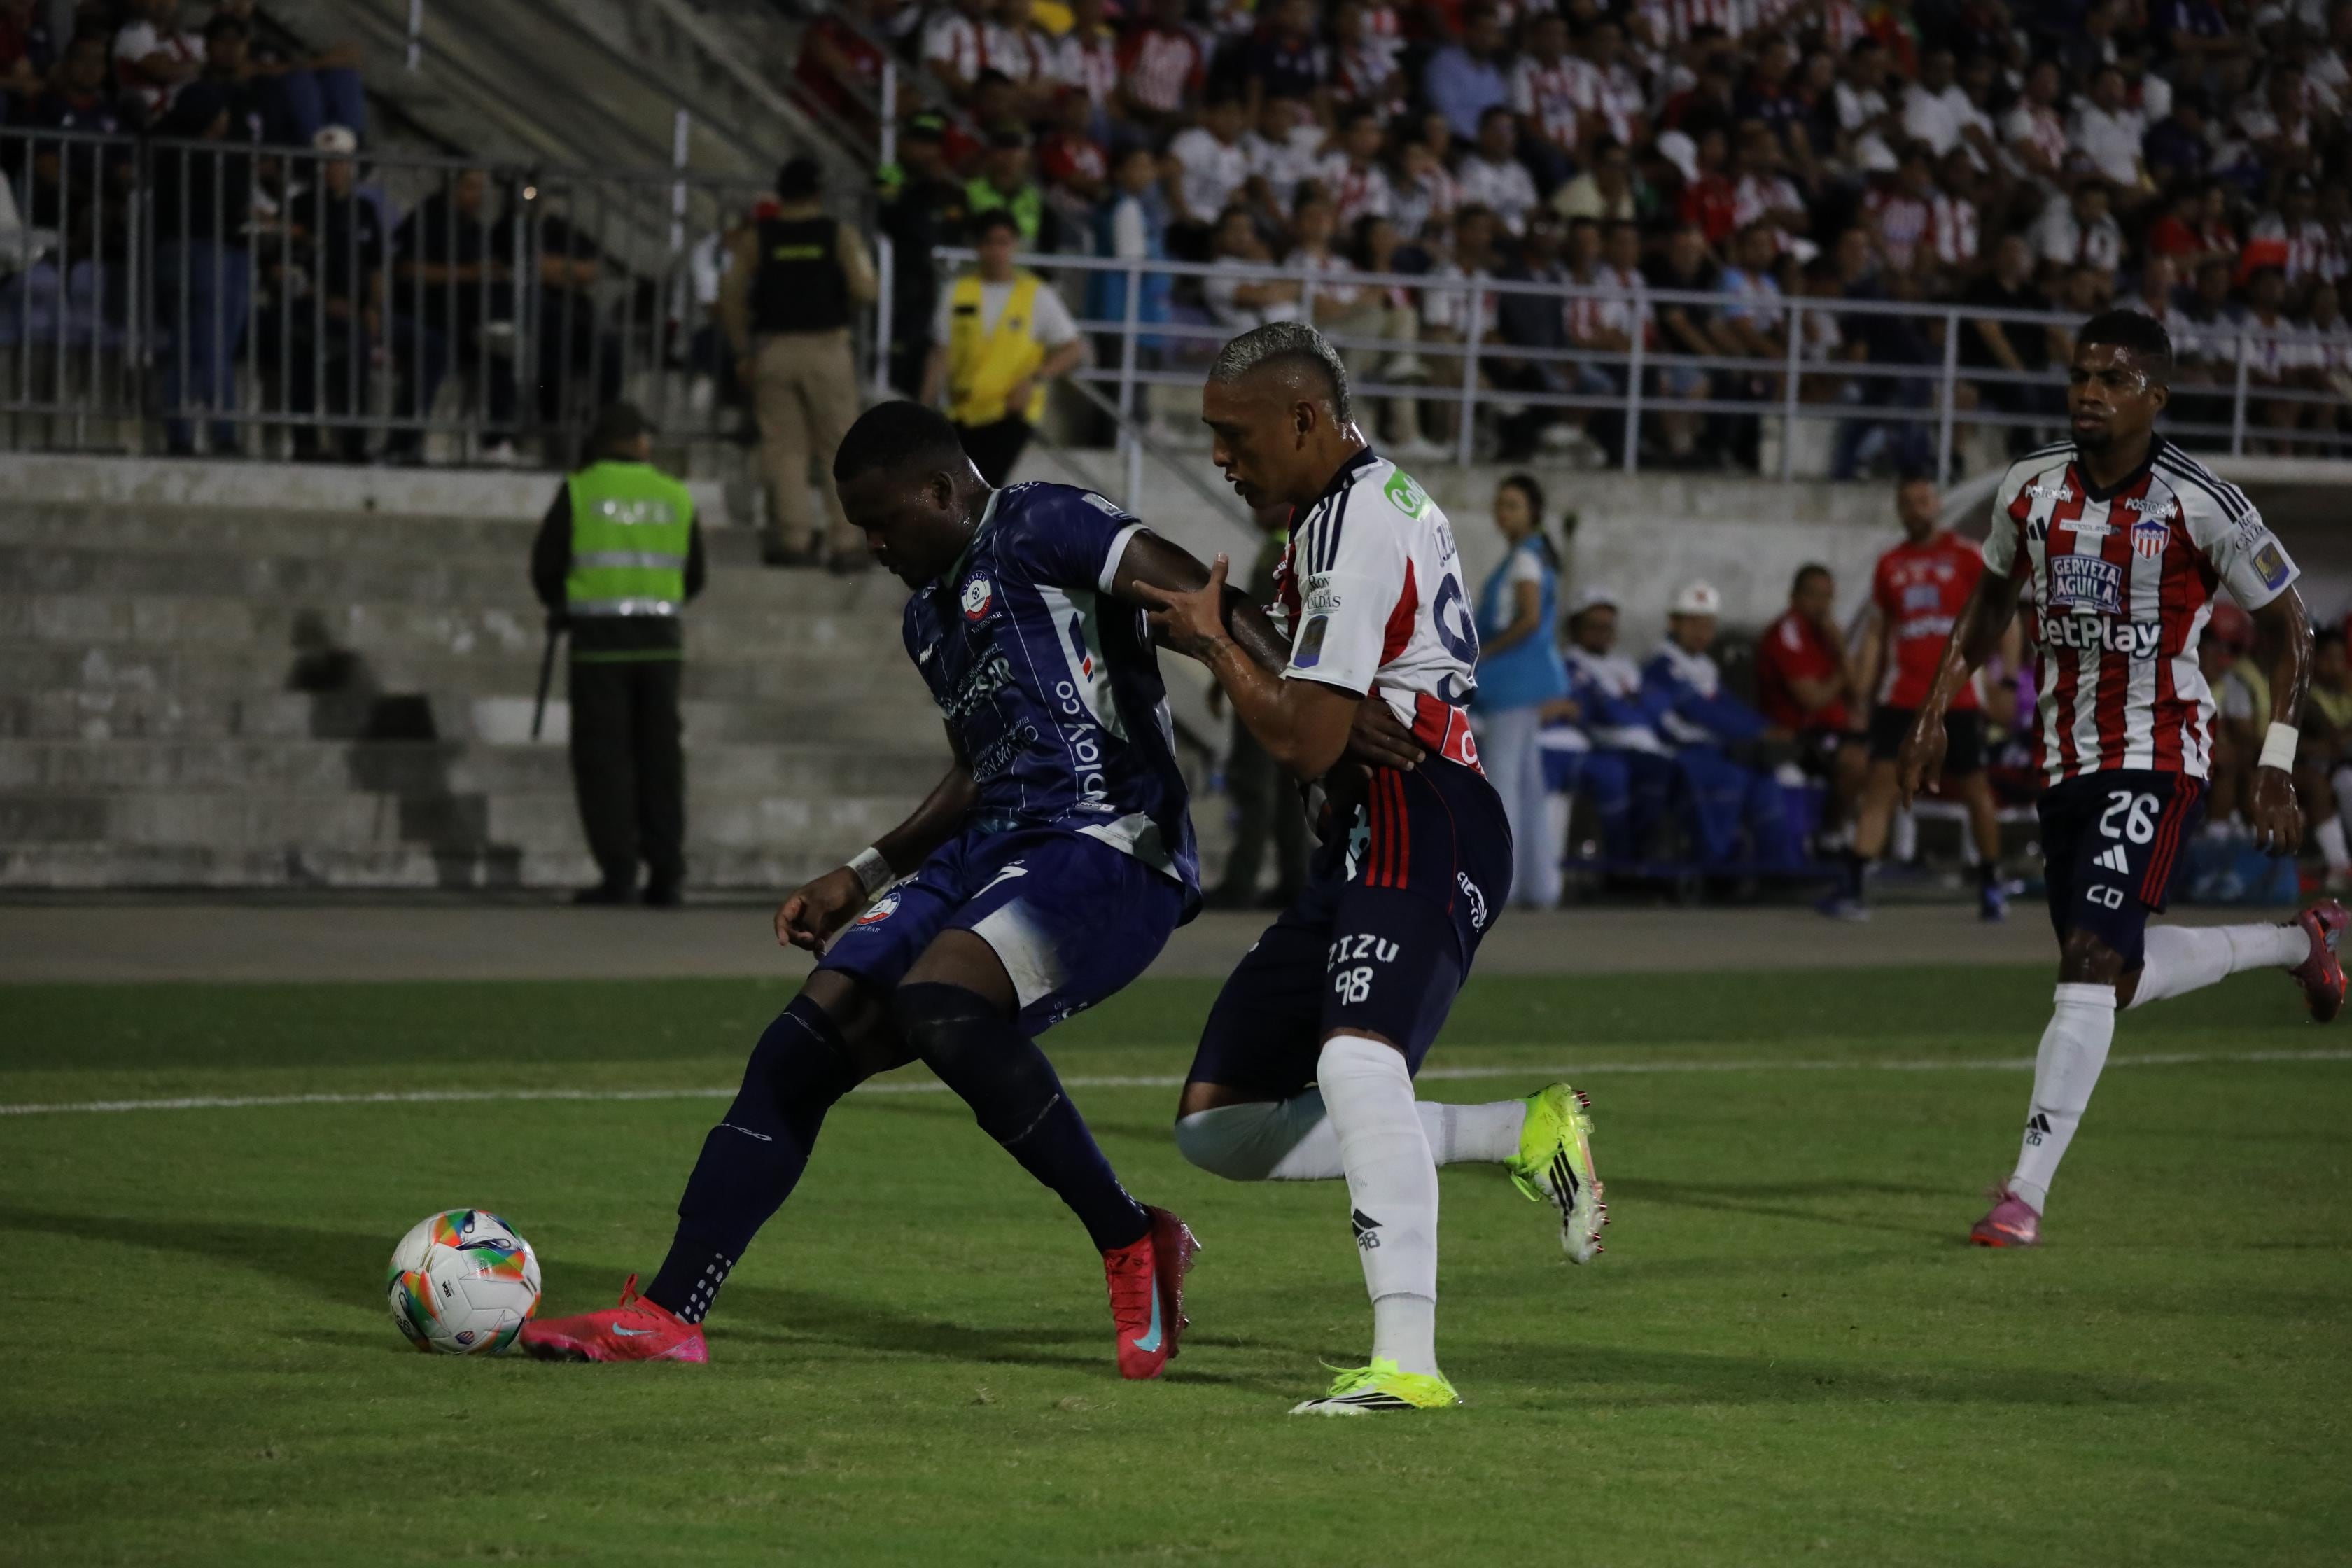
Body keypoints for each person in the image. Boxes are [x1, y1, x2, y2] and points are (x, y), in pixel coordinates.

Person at [522, 398, 1298, 1374]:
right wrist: (868, 868)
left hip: (1109, 844)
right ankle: (670, 1314)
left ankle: (1127, 1235)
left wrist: (1311, 730)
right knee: (800, 1047)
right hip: (991, 850)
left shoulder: (1048, 522)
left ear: (941, 488)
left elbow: (1204, 601)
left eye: (884, 522)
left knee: (940, 998)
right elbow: (977, 768)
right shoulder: (928, 617)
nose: (875, 544)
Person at [1132, 323, 1606, 1417]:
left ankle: (1408, 1363)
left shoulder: (1351, 526)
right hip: (1369, 825)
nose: (1220, 458)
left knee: (1355, 1061)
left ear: (1305, 419)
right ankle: (1516, 1131)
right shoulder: (1342, 512)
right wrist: (1313, 731)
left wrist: (1215, 644)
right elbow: (1318, 740)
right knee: (1223, 1119)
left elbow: (1302, 735)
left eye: (1233, 434)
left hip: (1423, 807)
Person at [1893, 310, 2343, 1250]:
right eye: (2081, 375)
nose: (2090, 392)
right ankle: (2294, 944)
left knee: (2088, 966)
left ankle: (2023, 1196)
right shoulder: (2029, 488)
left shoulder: (2201, 501)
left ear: (2156, 397)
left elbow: (2292, 628)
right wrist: (1936, 708)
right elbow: (1988, 607)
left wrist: (2273, 763)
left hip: (2159, 753)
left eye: (2112, 378)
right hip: (2064, 764)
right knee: (2115, 975)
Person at [528, 404, 705, 907]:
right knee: (660, 761)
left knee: (605, 763)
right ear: (641, 442)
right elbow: (694, 577)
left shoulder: (580, 490)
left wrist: (563, 604)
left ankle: (618, 872)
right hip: (660, 646)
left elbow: (546, 565)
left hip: (598, 649)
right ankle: (667, 872)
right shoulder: (675, 494)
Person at [1827, 472, 2010, 921]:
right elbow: (1876, 634)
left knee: (1974, 792)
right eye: (1908, 503)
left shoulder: (1967, 556)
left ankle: (1991, 881)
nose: (1916, 510)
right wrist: (1863, 692)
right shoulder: (1890, 564)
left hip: (1957, 697)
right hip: (1902, 697)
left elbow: (2003, 613)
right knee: (1881, 789)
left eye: (1924, 501)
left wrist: (2005, 679)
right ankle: (1854, 885)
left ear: (1937, 505)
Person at [720, 155, 876, 570]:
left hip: (773, 350)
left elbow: (731, 298)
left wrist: (742, 351)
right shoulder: (839, 234)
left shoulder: (757, 238)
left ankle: (795, 541)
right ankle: (846, 543)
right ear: (818, 193)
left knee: (784, 450)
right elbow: (866, 288)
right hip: (827, 350)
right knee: (838, 448)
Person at [1643, 582, 1800, 872]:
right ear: (1674, 623)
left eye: (1708, 624)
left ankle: (1778, 867)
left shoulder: (1704, 666)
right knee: (1728, 776)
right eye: (1693, 623)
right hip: (1682, 750)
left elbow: (1729, 707)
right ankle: (1715, 864)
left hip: (1716, 748)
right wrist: (1759, 733)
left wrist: (1770, 728)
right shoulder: (1663, 664)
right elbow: (1699, 712)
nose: (1702, 632)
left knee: (1764, 777)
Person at [922, 209, 1086, 485]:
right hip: (962, 411)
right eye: (989, 242)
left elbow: (1073, 347)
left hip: (1009, 412)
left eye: (1003, 242)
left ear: (1014, 246)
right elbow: (941, 353)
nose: (996, 251)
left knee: (981, 488)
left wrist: (1036, 379)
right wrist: (924, 407)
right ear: (977, 246)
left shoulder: (1036, 295)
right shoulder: (958, 291)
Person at [1205, 501, 1310, 909]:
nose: (1251, 499)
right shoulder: (1298, 545)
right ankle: (1296, 877)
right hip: (1292, 687)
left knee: (1253, 783)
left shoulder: (1281, 552)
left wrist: (1227, 677)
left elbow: (1259, 627)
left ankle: (1241, 879)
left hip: (1261, 687)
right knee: (1287, 787)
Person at [1472, 473, 1569, 909]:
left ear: (1532, 512)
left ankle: (1504, 884)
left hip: (1511, 682)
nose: (1502, 513)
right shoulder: (1530, 556)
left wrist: (1485, 652)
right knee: (1529, 785)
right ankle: (1540, 884)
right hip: (1528, 682)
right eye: (1500, 504)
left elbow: (1528, 620)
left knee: (1504, 782)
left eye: (1512, 505)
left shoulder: (1524, 561)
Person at [1755, 564, 1868, 847]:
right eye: (1814, 595)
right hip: (1796, 733)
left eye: (1828, 597)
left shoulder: (1827, 635)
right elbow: (1812, 700)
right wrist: (1844, 671)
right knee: (1855, 762)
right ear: (1794, 596)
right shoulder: (1787, 634)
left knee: (1890, 760)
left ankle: (1862, 839)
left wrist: (1841, 649)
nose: (1822, 605)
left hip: (1832, 731)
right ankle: (1830, 834)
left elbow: (1857, 694)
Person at [876, 114, 968, 400]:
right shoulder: (889, 176)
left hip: (934, 280)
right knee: (896, 351)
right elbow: (895, 217)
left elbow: (955, 228)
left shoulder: (948, 188)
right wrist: (925, 188)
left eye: (932, 144)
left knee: (932, 348)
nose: (926, 151)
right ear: (904, 143)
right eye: (919, 142)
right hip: (898, 281)